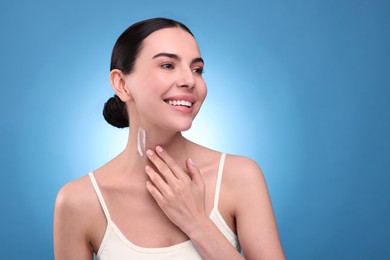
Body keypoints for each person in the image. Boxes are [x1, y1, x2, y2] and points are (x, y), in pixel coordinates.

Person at [53, 17, 285, 260]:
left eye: (197, 69)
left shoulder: (239, 177)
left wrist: (197, 223)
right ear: (121, 84)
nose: (189, 80)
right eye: (167, 65)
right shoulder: (78, 201)